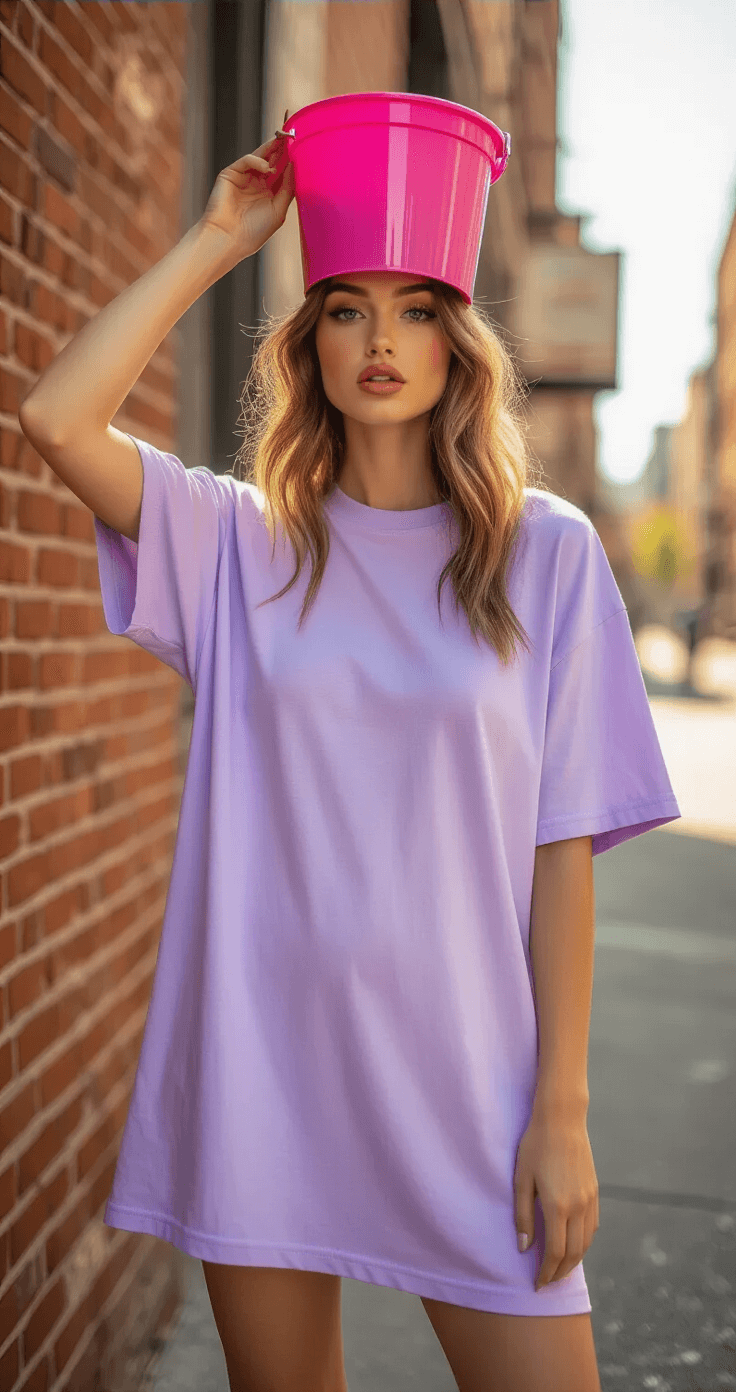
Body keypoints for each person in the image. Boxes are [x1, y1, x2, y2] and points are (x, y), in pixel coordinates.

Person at [19, 119, 681, 1392]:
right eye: (347, 311)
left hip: (470, 1084)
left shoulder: (544, 554)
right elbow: (56, 415)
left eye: (416, 310)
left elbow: (562, 848)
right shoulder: (238, 543)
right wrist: (218, 239)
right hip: (262, 1069)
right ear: (309, 343)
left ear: (456, 342)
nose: (381, 340)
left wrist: (561, 1112)